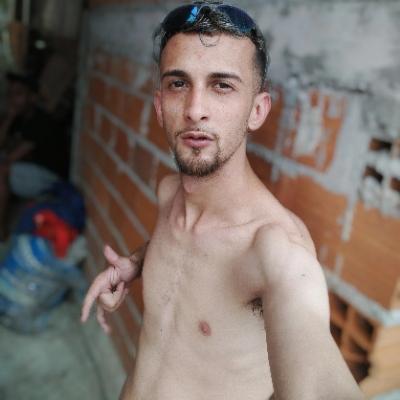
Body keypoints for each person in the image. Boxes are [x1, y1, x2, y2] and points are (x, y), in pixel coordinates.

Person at [81, 2, 364, 399]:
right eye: (179, 84)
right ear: (160, 106)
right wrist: (136, 263)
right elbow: (190, 248)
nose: (195, 110)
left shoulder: (276, 250)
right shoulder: (169, 193)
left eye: (222, 86)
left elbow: (321, 387)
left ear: (257, 110)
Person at [0, 72, 69, 238]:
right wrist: (9, 119)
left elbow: (10, 158)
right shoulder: (18, 119)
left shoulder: (40, 120)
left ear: (32, 97)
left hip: (51, 180)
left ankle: (1, 230)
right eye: (10, 94)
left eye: (18, 94)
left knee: (2, 170)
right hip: (29, 171)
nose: (12, 99)